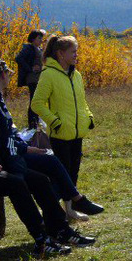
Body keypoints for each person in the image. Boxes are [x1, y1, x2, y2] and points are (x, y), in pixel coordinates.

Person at [0, 75, 93, 255]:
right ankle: (41, 239)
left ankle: (60, 230)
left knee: (40, 180)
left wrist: (20, 159)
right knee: (17, 184)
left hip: (1, 166)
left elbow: (9, 141)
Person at [0, 58, 103, 221]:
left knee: (51, 164)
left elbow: (7, 132)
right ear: (3, 75)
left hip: (12, 152)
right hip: (1, 160)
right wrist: (26, 148)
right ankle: (69, 207)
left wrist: (23, 142)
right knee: (48, 169)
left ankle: (63, 211)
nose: (10, 77)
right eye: (8, 74)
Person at [30, 35, 95, 190]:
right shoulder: (48, 74)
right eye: (73, 51)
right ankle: (58, 209)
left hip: (77, 133)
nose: (76, 55)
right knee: (62, 174)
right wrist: (55, 122)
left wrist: (89, 116)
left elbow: (81, 101)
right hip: (60, 134)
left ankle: (70, 208)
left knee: (74, 173)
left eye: (76, 51)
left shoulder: (76, 75)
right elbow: (37, 104)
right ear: (60, 53)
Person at [15, 29, 45, 129]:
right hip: (32, 78)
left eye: (42, 38)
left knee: (37, 100)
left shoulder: (38, 48)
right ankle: (32, 123)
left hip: (38, 78)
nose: (41, 40)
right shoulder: (29, 48)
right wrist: (30, 68)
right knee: (34, 100)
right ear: (33, 39)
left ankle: (35, 121)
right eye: (39, 38)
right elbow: (18, 58)